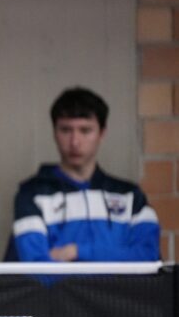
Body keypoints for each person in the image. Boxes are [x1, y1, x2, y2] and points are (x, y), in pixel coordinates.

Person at [11, 87, 160, 262]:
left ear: (102, 133)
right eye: (66, 130)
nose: (75, 142)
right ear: (54, 132)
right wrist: (116, 258)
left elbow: (148, 258)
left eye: (85, 130)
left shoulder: (131, 196)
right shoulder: (31, 194)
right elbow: (36, 268)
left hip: (117, 291)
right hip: (58, 291)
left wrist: (75, 252)